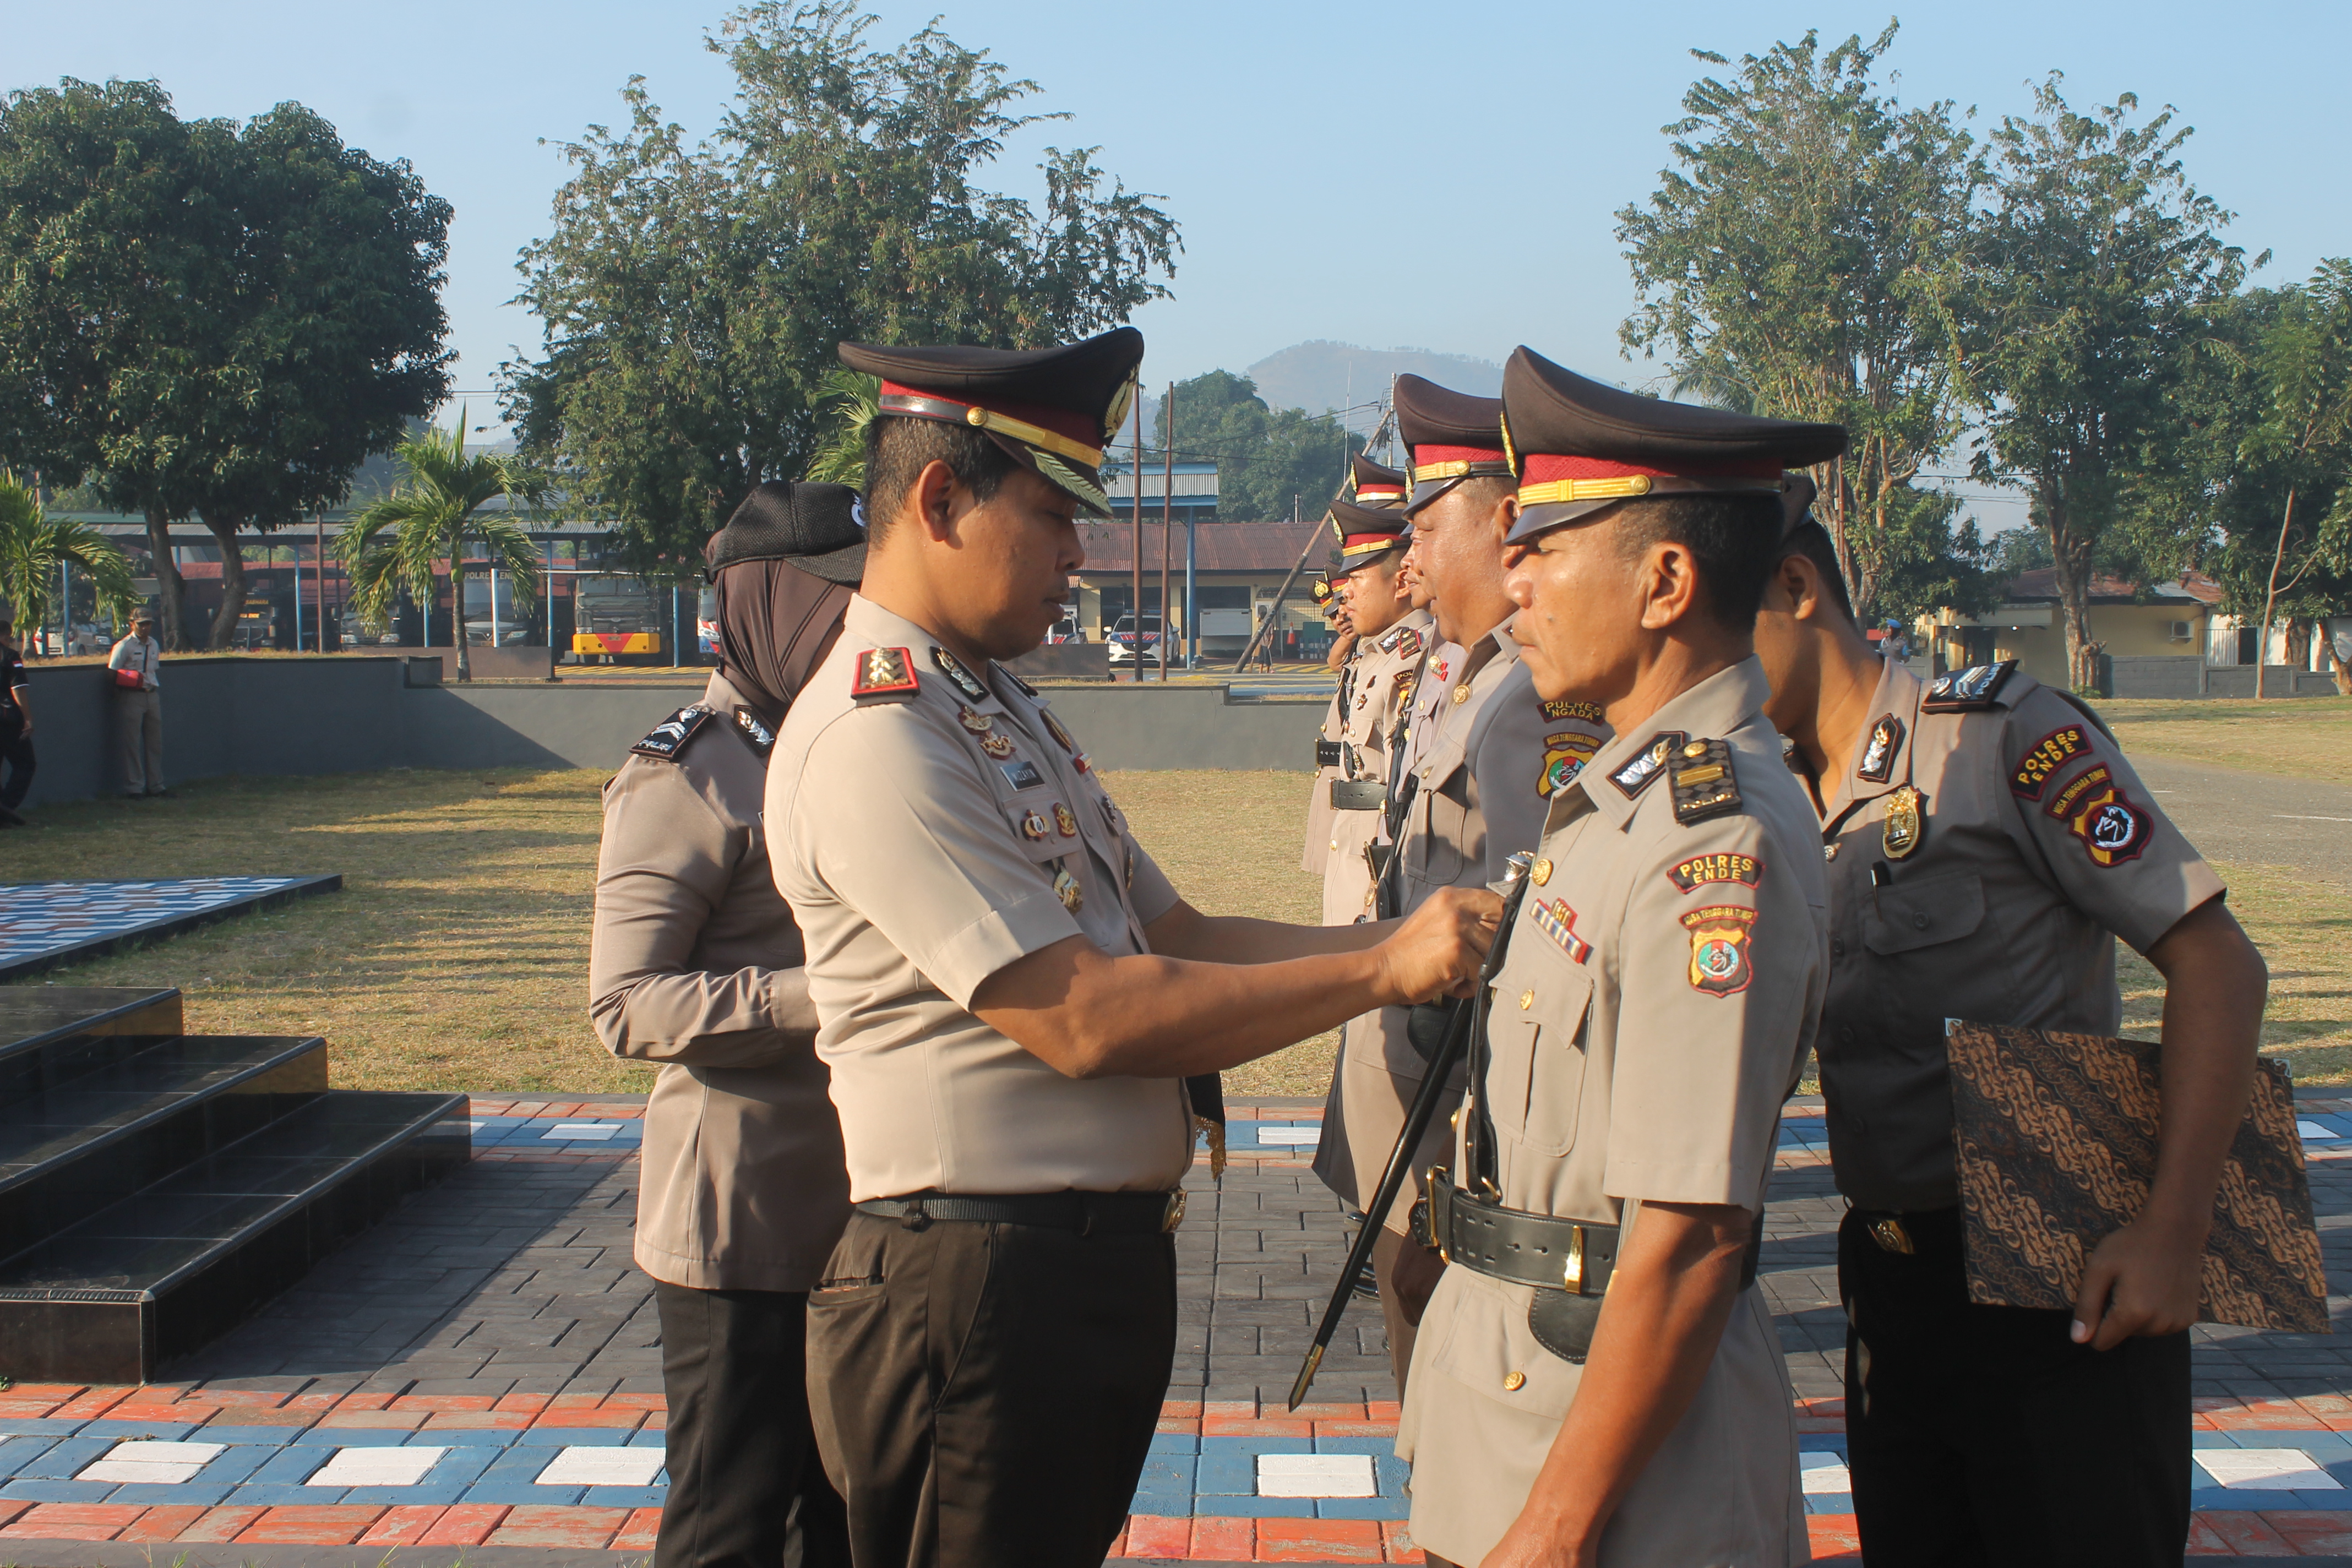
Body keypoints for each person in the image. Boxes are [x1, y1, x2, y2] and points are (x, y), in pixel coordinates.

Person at [764, 327, 1500, 1568]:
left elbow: (1183, 935)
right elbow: (1087, 1016)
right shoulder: (877, 732)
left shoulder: (992, 708)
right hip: (972, 1287)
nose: (1081, 553)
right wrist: (1384, 967)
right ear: (940, 498)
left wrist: (1406, 933)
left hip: (1063, 1283)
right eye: (1055, 515)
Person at [1752, 480, 2268, 1567]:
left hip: (2057, 1284)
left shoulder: (2000, 744)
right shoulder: (1778, 801)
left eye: (1720, 630)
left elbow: (2218, 962)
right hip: (1891, 1280)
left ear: (1797, 587)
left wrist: (2176, 1232)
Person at [1399, 346, 1844, 1568]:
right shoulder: (1618, 797)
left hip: (1612, 1486)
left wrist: (1554, 1526)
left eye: (1545, 545)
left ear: (1663, 578)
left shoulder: (1716, 840)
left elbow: (1691, 1231)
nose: (1514, 576)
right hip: (1510, 1405)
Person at [591, 481, 871, 1568]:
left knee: (839, 1513)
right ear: (768, 601)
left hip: (847, 1203)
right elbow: (626, 1002)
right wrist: (822, 995)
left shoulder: (835, 748)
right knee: (730, 1519)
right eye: (836, 595)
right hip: (738, 1220)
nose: (859, 620)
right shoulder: (688, 771)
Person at [1310, 373, 1601, 1397]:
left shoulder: (1526, 696)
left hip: (1459, 1077)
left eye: (1428, 529)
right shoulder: (1455, 669)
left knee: (1440, 1330)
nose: (1411, 556)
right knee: (1408, 1311)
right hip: (1410, 1047)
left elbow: (1537, 927)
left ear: (1503, 519)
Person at [1314, 497, 1430, 925]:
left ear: (1400, 583)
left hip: (1380, 846)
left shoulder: (1412, 661)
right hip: (1352, 837)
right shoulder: (1374, 653)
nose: (1345, 595)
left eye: (1358, 580)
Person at [107, 612, 164, 799]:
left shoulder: (154, 643)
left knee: (154, 743)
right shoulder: (124, 646)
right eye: (141, 624)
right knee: (132, 743)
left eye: (148, 624)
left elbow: (154, 669)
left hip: (152, 694)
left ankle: (156, 785)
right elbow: (113, 672)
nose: (145, 628)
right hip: (132, 696)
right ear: (132, 624)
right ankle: (134, 787)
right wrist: (117, 696)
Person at [0, 618, 33, 827]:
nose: (11, 640)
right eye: (9, 636)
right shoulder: (11, 657)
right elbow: (18, 689)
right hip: (8, 719)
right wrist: (28, 718)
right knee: (26, 764)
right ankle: (6, 806)